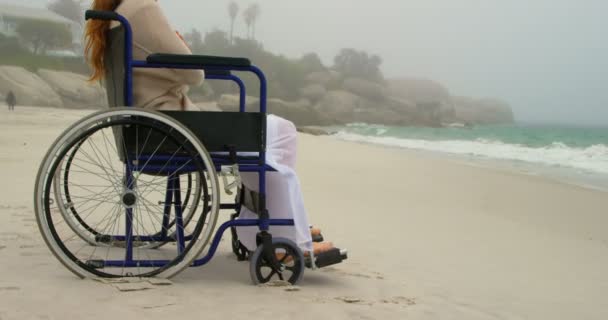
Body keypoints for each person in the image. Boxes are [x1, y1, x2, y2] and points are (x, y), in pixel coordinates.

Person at [84, 0, 335, 255]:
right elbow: (195, 74)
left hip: (152, 126)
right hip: (172, 126)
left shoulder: (118, 13)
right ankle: (286, 239)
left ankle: (281, 223)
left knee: (281, 132)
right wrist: (182, 45)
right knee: (268, 149)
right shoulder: (143, 8)